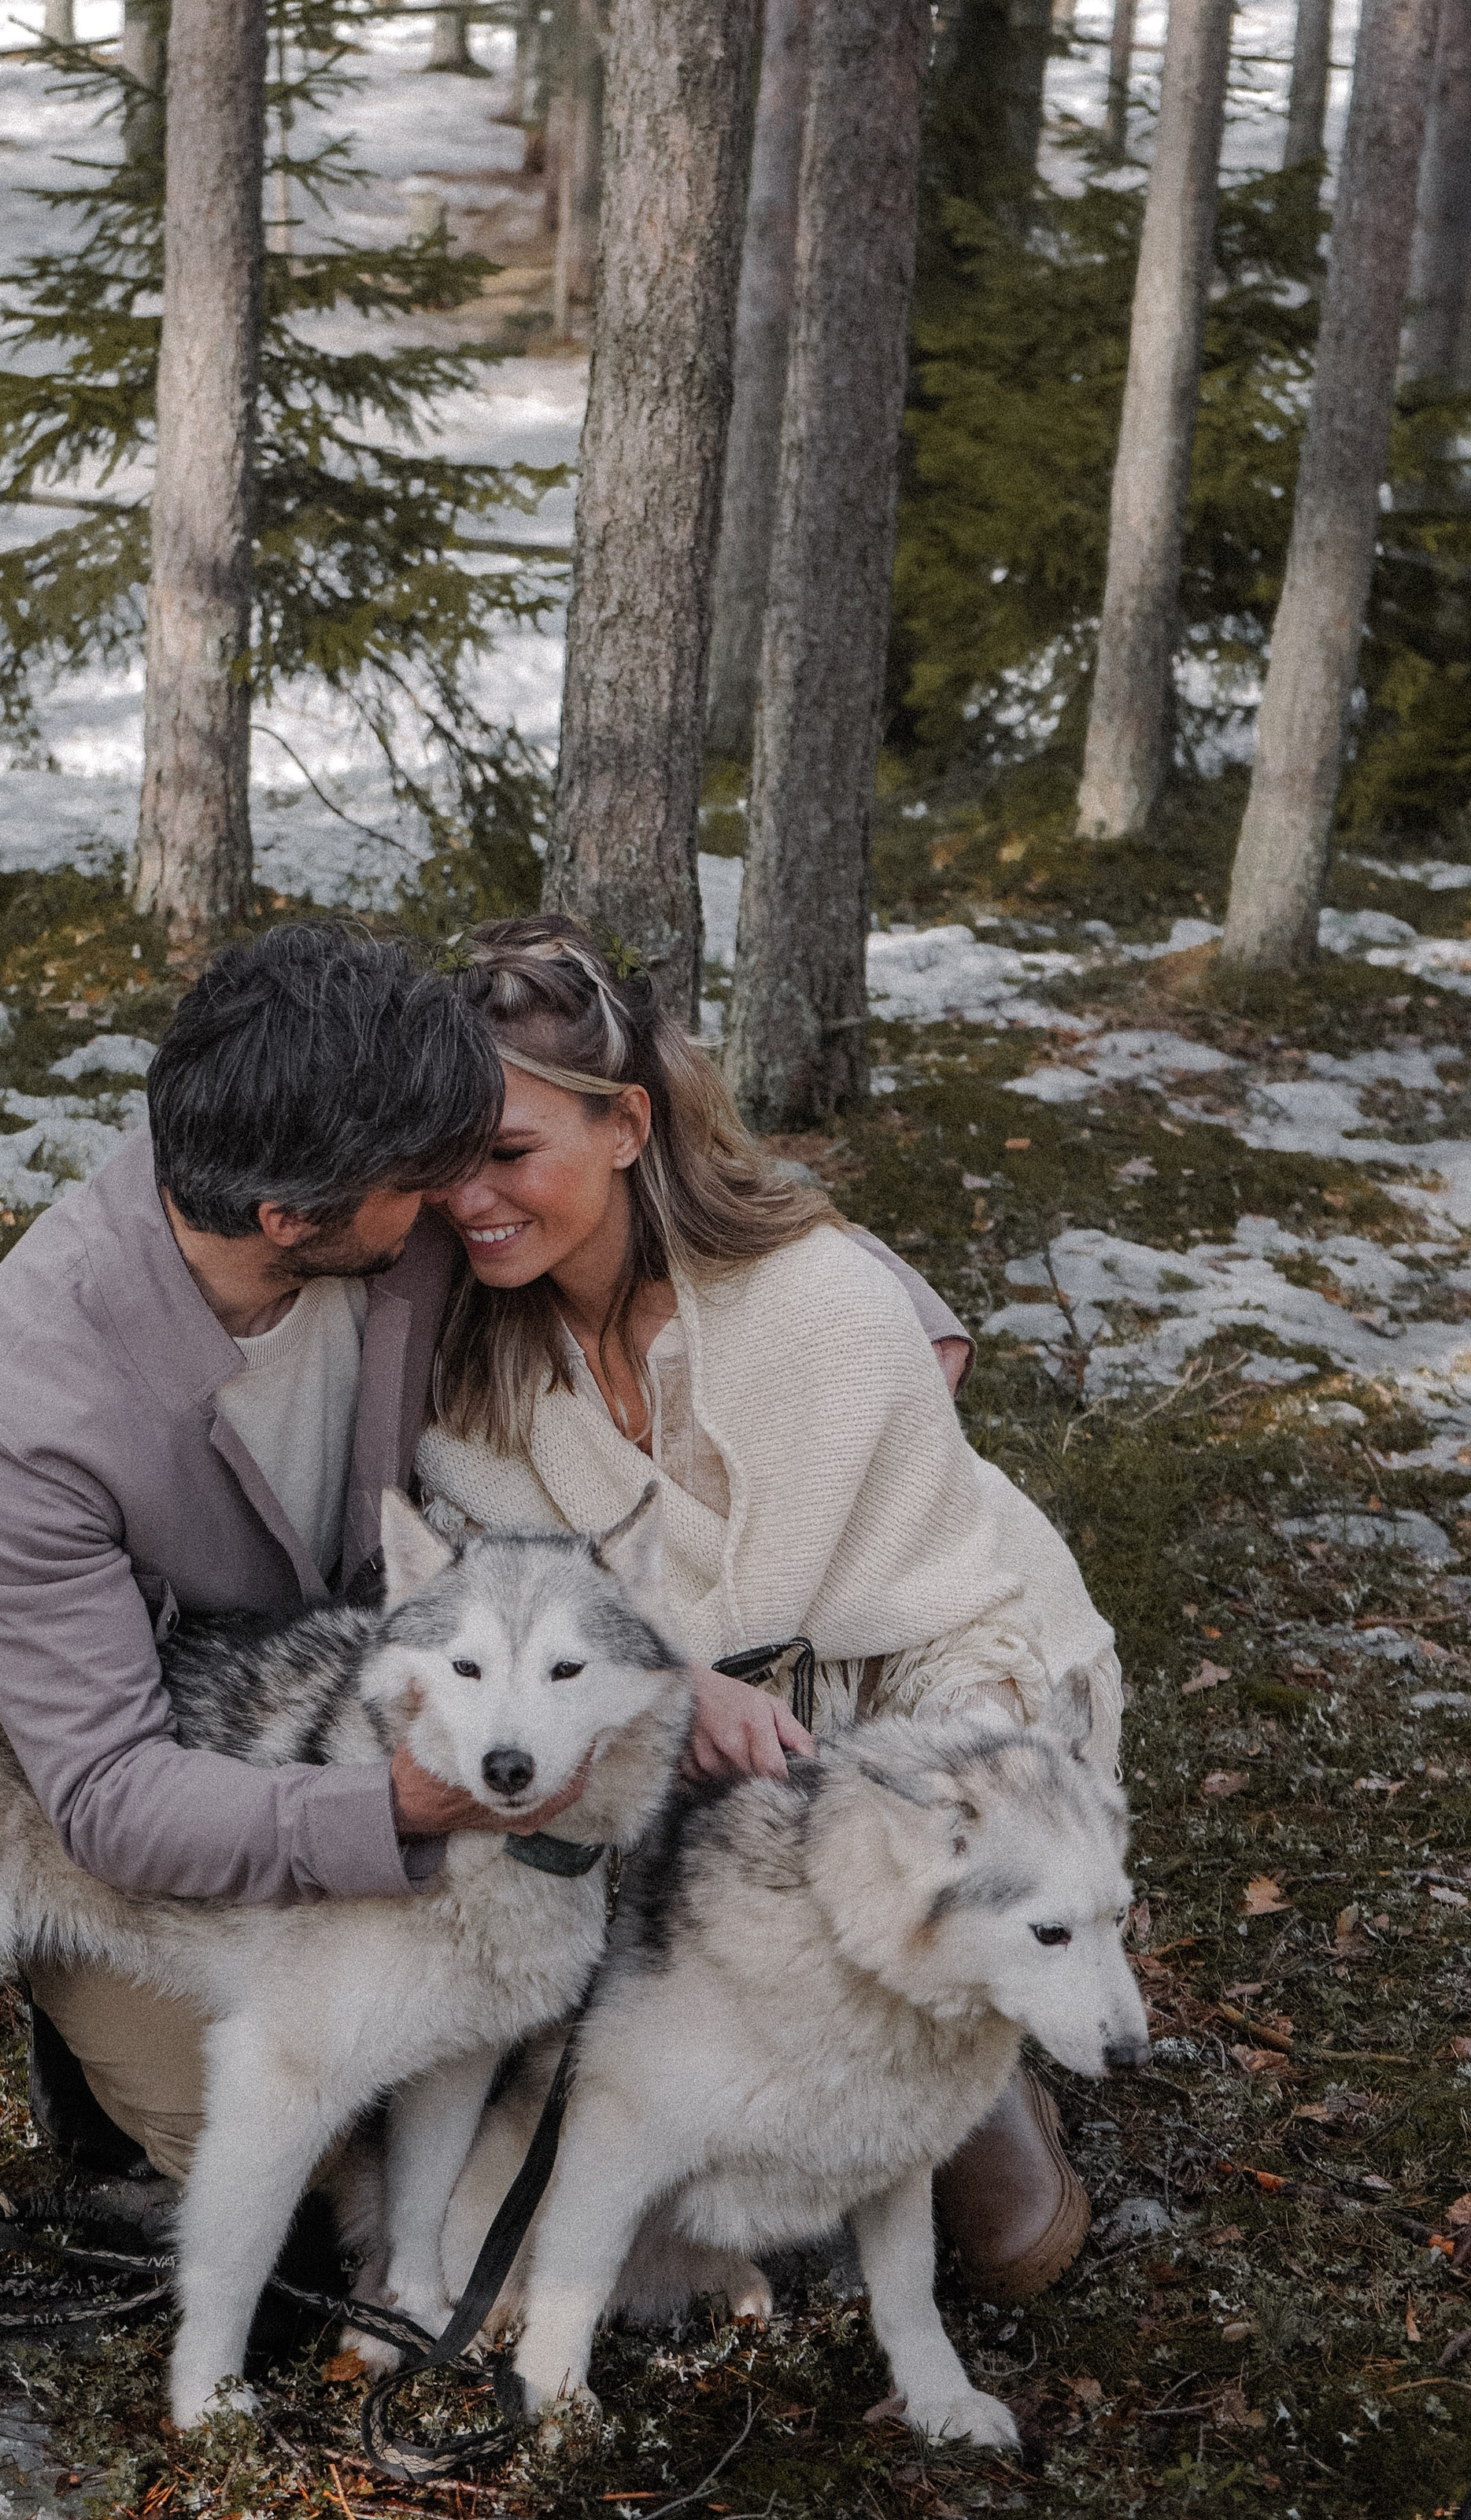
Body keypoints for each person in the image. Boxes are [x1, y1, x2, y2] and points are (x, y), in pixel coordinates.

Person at [0, 918, 967, 2197]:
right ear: (292, 1218)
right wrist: (401, 1809)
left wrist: (895, 1305)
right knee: (302, 2157)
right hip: (172, 1827)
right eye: (427, 1183)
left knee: (497, 2114)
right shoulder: (23, 1412)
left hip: (413, 1712)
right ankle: (96, 2070)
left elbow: (621, 1143)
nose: (458, 1207)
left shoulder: (347, 1137)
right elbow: (108, 1794)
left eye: (470, 1162)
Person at [414, 915, 1122, 2302]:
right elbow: (521, 1614)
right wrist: (681, 1696)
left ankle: (965, 2043)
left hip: (912, 1691)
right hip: (682, 1766)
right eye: (445, 1167)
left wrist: (904, 1842)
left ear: (625, 1126)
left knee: (1014, 2250)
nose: (470, 1201)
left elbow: (960, 1628)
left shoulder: (820, 1306)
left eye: (507, 1156)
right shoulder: (473, 1360)